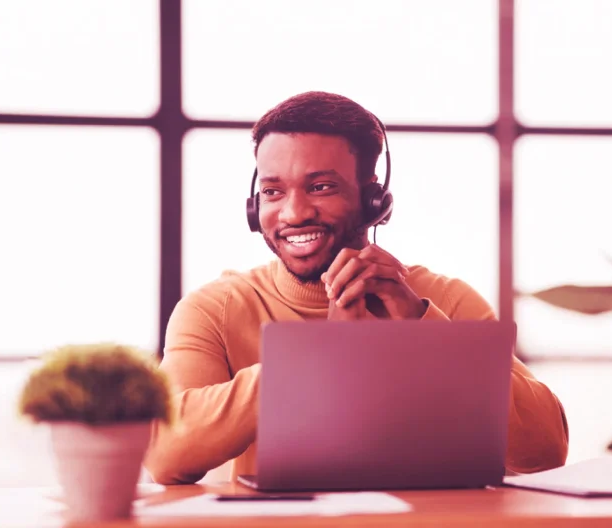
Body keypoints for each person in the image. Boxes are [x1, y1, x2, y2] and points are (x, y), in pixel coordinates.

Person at [144, 91, 569, 485]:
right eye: (272, 191)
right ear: (255, 208)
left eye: (320, 187)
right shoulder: (214, 309)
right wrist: (322, 352)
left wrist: (424, 330)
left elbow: (545, 451)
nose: (293, 213)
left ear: (373, 201)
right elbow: (164, 455)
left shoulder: (445, 301)